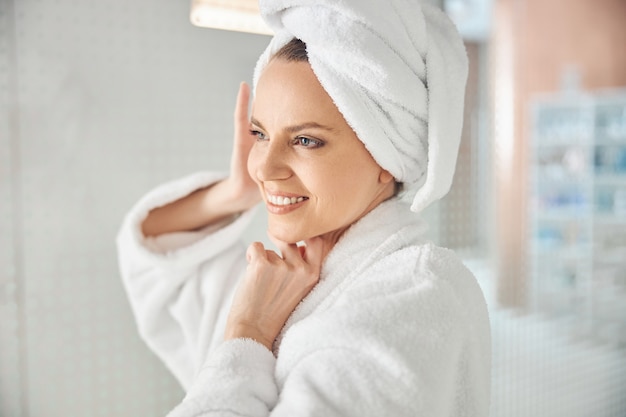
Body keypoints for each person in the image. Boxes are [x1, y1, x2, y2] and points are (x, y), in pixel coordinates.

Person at [117, 1, 491, 416]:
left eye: (306, 141)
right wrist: (233, 193)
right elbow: (153, 260)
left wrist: (248, 333)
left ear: (387, 157)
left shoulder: (418, 297)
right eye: (260, 133)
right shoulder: (279, 279)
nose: (262, 165)